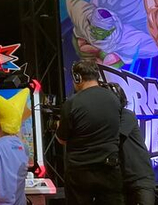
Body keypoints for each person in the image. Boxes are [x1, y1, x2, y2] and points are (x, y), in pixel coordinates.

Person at [55, 60, 124, 205]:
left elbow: (61, 139)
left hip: (80, 171)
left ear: (77, 78)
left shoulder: (72, 103)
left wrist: (58, 125)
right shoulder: (114, 99)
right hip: (110, 168)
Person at [105, 83, 156, 205]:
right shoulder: (106, 121)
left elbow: (116, 138)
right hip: (121, 181)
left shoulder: (127, 115)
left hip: (140, 179)